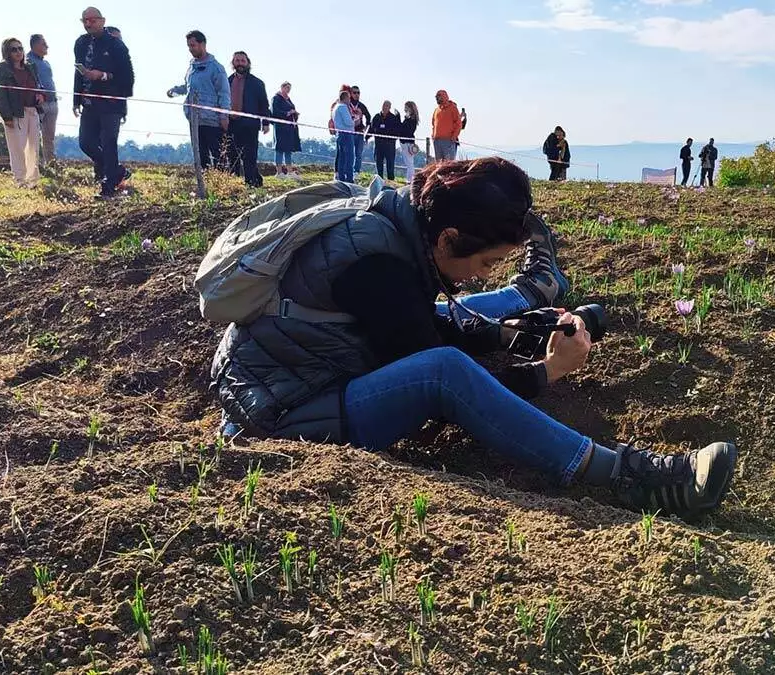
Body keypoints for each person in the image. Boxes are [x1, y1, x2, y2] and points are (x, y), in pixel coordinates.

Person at [210, 157, 738, 521]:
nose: (473, 277)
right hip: (280, 413)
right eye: (483, 263)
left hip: (301, 373)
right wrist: (546, 371)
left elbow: (419, 325)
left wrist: (509, 334)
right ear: (447, 238)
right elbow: (445, 388)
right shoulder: (377, 264)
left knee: (449, 329)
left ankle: (533, 296)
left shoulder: (397, 227)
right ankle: (633, 476)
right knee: (443, 368)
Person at [73, 6, 134, 198]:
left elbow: (128, 78)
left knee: (109, 142)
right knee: (85, 142)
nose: (89, 23)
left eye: (92, 19)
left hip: (110, 104)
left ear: (103, 21)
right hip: (89, 103)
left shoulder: (116, 45)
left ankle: (109, 186)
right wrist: (76, 98)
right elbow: (77, 71)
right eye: (85, 20)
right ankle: (115, 171)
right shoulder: (80, 43)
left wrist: (103, 76)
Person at [166, 30, 230, 170]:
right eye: (189, 46)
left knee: (218, 155)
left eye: (193, 45)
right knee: (200, 156)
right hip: (194, 119)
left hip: (212, 120)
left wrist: (224, 116)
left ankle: (222, 184)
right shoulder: (191, 68)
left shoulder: (216, 68)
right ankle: (205, 184)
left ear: (203, 44)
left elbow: (224, 93)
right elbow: (189, 87)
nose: (190, 49)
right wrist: (175, 91)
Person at [0, 38, 43, 188]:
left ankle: (33, 180)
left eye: (20, 48)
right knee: (17, 148)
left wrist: (40, 96)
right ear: (7, 52)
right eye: (14, 49)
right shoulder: (1, 69)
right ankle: (20, 180)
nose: (18, 52)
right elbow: (0, 94)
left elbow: (38, 85)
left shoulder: (30, 67)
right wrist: (6, 116)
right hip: (15, 113)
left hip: (32, 110)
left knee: (33, 147)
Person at [224, 51, 271, 188]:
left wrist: (266, 122)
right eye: (237, 61)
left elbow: (264, 104)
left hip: (250, 125)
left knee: (249, 156)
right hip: (231, 124)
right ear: (233, 63)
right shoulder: (227, 82)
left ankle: (251, 183)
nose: (240, 63)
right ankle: (234, 184)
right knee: (232, 155)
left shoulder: (257, 83)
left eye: (242, 61)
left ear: (248, 63)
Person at [26, 34, 58, 168]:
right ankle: (33, 164)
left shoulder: (46, 63)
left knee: (49, 136)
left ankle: (50, 164)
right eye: (44, 44)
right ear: (35, 45)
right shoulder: (27, 61)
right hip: (38, 103)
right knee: (33, 135)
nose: (47, 46)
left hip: (52, 102)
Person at [271, 82, 301, 179]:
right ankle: (279, 172)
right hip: (280, 128)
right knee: (279, 149)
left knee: (288, 149)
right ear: (282, 87)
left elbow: (292, 108)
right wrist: (288, 113)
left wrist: (295, 113)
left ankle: (290, 171)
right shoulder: (276, 98)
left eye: (289, 88)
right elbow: (275, 112)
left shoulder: (288, 99)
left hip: (289, 128)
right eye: (287, 87)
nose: (288, 90)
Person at [368, 100, 401, 181]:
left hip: (389, 145)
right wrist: (366, 138)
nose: (384, 107)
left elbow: (397, 131)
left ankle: (391, 182)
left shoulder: (393, 118)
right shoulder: (376, 117)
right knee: (379, 164)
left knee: (390, 165)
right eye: (383, 105)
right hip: (379, 145)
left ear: (389, 107)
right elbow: (371, 129)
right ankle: (379, 181)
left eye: (387, 106)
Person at [331, 89, 355, 183]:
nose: (350, 100)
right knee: (349, 157)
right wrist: (355, 122)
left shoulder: (336, 107)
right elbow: (348, 122)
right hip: (346, 134)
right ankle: (349, 178)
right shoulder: (343, 107)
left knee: (341, 157)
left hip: (340, 134)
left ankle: (341, 177)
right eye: (349, 98)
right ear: (345, 98)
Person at [431, 89, 461, 161]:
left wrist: (453, 137)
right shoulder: (436, 110)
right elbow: (433, 124)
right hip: (437, 141)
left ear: (444, 96)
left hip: (448, 141)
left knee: (448, 165)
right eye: (436, 97)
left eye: (439, 96)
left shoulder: (453, 108)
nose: (437, 98)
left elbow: (458, 124)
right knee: (438, 165)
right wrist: (433, 135)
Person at [349, 85, 371, 177]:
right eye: (354, 92)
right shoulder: (347, 104)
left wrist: (366, 126)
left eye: (358, 93)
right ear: (350, 93)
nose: (357, 94)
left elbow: (368, 116)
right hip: (349, 132)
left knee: (358, 153)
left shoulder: (361, 105)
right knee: (349, 153)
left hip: (359, 132)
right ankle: (348, 170)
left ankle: (356, 171)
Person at [398, 101, 420, 185]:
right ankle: (410, 179)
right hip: (404, 142)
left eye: (406, 107)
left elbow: (407, 130)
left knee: (409, 163)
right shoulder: (409, 118)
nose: (404, 109)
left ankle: (410, 180)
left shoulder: (412, 119)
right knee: (408, 162)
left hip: (408, 143)